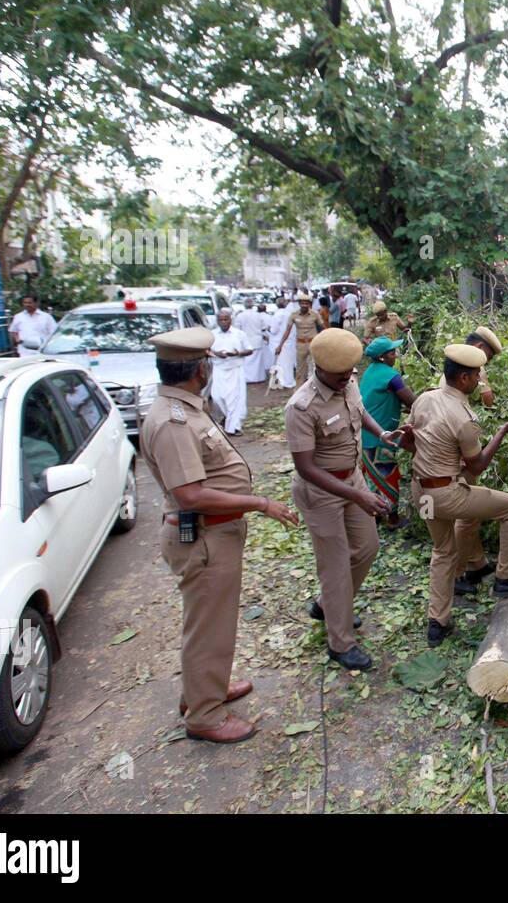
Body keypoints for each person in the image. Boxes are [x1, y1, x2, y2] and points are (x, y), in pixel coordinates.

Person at [137, 326, 299, 743]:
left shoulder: (184, 407)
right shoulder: (173, 421)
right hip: (204, 538)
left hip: (216, 536)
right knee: (208, 625)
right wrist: (259, 503)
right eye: (208, 361)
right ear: (200, 369)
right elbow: (189, 493)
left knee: (214, 621)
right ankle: (204, 716)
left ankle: (206, 689)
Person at [397, 343, 508, 648]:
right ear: (463, 379)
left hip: (422, 494)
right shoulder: (464, 417)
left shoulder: (424, 399)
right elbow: (479, 465)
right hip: (447, 495)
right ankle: (506, 578)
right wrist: (502, 431)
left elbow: (410, 442)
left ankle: (438, 622)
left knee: (442, 552)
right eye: (476, 376)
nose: (479, 381)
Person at [285, 329, 399, 671]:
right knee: (334, 567)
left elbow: (359, 411)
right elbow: (305, 468)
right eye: (340, 376)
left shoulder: (346, 382)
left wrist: (381, 433)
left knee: (367, 548)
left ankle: (328, 605)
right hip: (321, 492)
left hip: (352, 477)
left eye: (351, 373)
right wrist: (358, 496)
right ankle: (340, 643)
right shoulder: (301, 407)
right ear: (319, 368)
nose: (348, 379)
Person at [436, 327, 502, 596]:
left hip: (456, 447)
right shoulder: (471, 368)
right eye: (487, 355)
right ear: (477, 346)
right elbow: (488, 401)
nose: (485, 364)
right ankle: (457, 573)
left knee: (470, 517)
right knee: (466, 516)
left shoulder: (457, 367)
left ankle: (476, 563)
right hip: (459, 452)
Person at [359, 336, 416, 527]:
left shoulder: (370, 372)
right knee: (387, 474)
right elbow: (412, 402)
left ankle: (374, 515)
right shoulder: (391, 376)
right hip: (381, 434)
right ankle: (392, 519)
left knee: (372, 476)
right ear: (382, 357)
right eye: (392, 352)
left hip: (365, 433)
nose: (395, 355)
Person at [209, 308, 253, 435]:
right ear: (217, 321)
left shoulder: (239, 334)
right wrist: (216, 353)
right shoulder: (212, 335)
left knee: (234, 400)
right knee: (217, 397)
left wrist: (237, 353)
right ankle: (226, 418)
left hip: (235, 369)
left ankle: (234, 427)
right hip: (218, 369)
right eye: (220, 320)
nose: (223, 322)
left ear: (230, 320)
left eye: (225, 319)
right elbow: (206, 351)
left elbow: (249, 350)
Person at [275, 293, 325, 387]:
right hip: (300, 344)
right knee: (300, 368)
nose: (304, 305)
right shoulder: (293, 315)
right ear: (299, 304)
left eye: (306, 303)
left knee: (317, 365)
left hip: (313, 343)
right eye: (302, 303)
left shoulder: (315, 314)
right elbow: (287, 331)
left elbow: (322, 328)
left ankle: (318, 386)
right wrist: (280, 345)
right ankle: (299, 388)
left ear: (309, 304)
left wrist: (326, 341)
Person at [234, 298, 269, 384]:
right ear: (252, 305)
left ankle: (247, 378)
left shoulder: (240, 316)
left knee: (246, 361)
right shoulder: (258, 315)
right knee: (257, 362)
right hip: (257, 340)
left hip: (245, 341)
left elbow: (237, 330)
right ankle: (258, 378)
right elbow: (264, 328)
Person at [270, 297, 297, 389]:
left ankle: (284, 382)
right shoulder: (289, 313)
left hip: (280, 342)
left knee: (281, 363)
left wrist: (269, 330)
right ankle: (287, 380)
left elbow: (274, 330)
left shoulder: (277, 314)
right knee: (288, 363)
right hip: (289, 341)